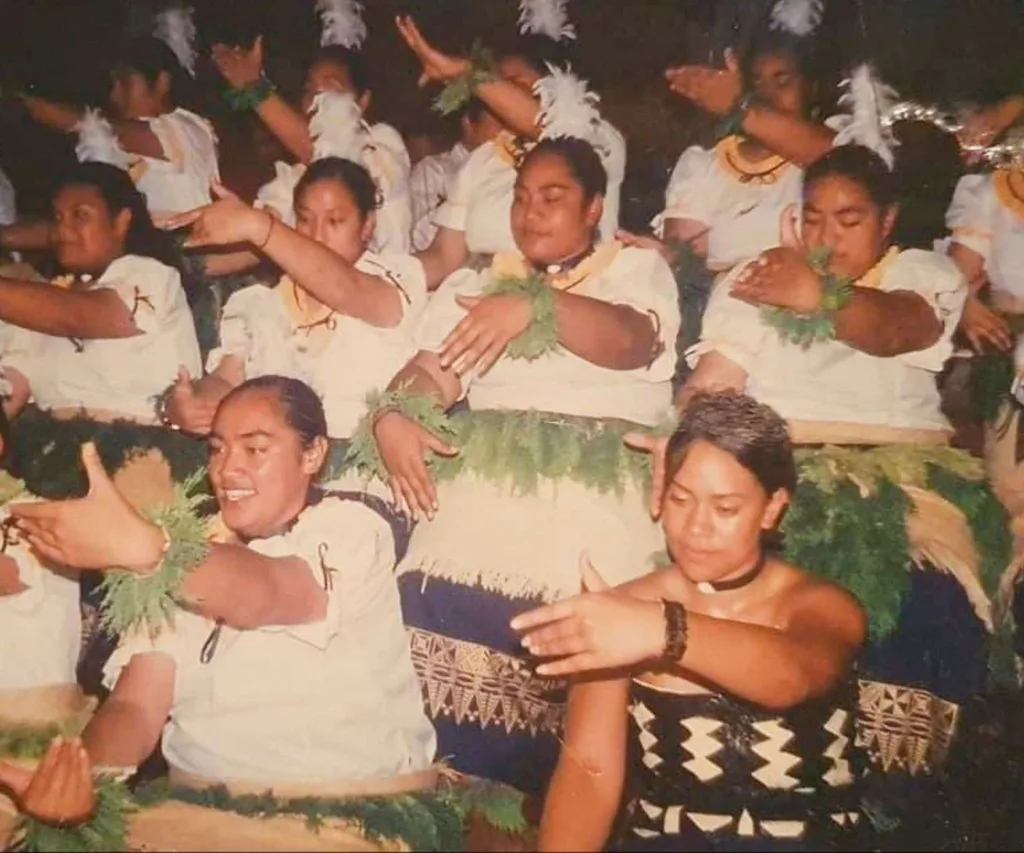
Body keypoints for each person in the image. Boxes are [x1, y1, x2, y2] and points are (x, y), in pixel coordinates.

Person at [365, 138, 678, 796]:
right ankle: (454, 803)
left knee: (583, 626)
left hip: (599, 480)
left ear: (595, 206)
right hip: (488, 481)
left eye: (553, 196)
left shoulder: (636, 272)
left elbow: (630, 341)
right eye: (522, 197)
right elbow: (433, 371)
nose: (531, 212)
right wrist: (395, 412)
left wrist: (538, 305)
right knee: (427, 588)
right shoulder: (479, 280)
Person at [9, 376, 437, 796]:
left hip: (342, 806)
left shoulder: (350, 528)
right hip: (194, 810)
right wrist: (81, 777)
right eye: (217, 449)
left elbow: (269, 592)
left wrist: (153, 550)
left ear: (313, 454)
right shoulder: (191, 545)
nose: (227, 468)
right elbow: (136, 707)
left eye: (255, 448)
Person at [515, 391, 866, 852]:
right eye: (681, 500)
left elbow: (793, 675)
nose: (696, 528)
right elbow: (590, 773)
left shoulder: (818, 605)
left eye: (725, 509)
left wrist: (664, 632)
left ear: (772, 507)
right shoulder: (626, 613)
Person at [159, 157, 426, 443]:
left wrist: (257, 225)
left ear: (367, 226)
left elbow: (343, 286)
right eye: (305, 220)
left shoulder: (392, 282)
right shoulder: (258, 304)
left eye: (335, 221)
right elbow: (225, 381)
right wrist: (187, 406)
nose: (317, 235)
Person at [396, 16, 628, 291]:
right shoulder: (486, 159)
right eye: (494, 85)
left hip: (568, 300)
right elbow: (443, 258)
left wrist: (465, 73)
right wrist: (380, 279)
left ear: (557, 84)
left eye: (513, 85)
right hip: (475, 299)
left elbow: (553, 123)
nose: (495, 94)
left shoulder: (596, 140)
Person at [0, 162, 200, 427]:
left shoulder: (152, 276)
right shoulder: (43, 299)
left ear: (121, 221)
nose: (62, 230)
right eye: (58, 218)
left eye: (79, 215)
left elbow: (76, 316)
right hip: (53, 457)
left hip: (146, 455)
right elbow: (12, 387)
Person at [211, 39, 412, 255]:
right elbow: (262, 239)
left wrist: (254, 87)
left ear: (363, 100)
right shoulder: (296, 177)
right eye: (310, 90)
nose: (317, 99)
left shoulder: (384, 145)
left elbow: (337, 163)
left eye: (332, 88)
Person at [657, 31, 835, 273]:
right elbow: (685, 266)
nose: (767, 96)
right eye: (756, 84)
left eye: (782, 82)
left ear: (811, 88)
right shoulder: (702, 163)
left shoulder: (833, 148)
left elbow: (837, 156)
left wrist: (739, 107)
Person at [13, 36, 219, 224]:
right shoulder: (139, 141)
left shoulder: (182, 127)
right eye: (113, 84)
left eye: (125, 83)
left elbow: (84, 122)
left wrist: (24, 101)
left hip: (189, 252)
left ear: (162, 82)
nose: (115, 95)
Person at [408, 99, 499, 252]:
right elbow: (420, 240)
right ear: (469, 124)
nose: (511, 134)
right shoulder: (434, 171)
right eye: (502, 124)